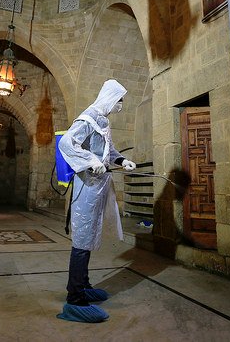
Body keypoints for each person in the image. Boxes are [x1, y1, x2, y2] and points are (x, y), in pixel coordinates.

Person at [56, 79, 136, 323]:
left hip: (98, 187)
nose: (121, 105)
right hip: (86, 187)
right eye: (120, 100)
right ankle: (75, 299)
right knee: (82, 239)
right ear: (110, 98)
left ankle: (84, 285)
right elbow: (67, 143)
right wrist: (90, 161)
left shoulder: (103, 121)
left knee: (89, 236)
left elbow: (108, 150)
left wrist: (122, 161)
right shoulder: (88, 117)